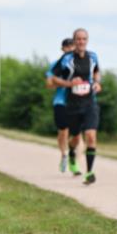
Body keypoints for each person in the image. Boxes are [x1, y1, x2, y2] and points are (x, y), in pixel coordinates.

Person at [50, 28, 101, 185]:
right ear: (74, 41)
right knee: (76, 137)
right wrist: (69, 83)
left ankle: (90, 172)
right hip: (72, 104)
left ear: (87, 40)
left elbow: (96, 72)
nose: (81, 42)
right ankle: (71, 154)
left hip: (89, 103)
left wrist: (97, 83)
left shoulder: (93, 57)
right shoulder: (66, 59)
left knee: (91, 136)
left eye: (84, 39)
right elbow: (53, 78)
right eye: (78, 39)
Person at [46, 38, 76, 173]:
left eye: (72, 47)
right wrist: (65, 83)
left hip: (77, 102)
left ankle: (73, 161)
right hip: (61, 101)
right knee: (63, 131)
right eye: (67, 47)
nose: (70, 50)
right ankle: (64, 154)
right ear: (62, 49)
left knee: (76, 134)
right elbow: (49, 84)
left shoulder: (81, 64)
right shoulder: (56, 65)